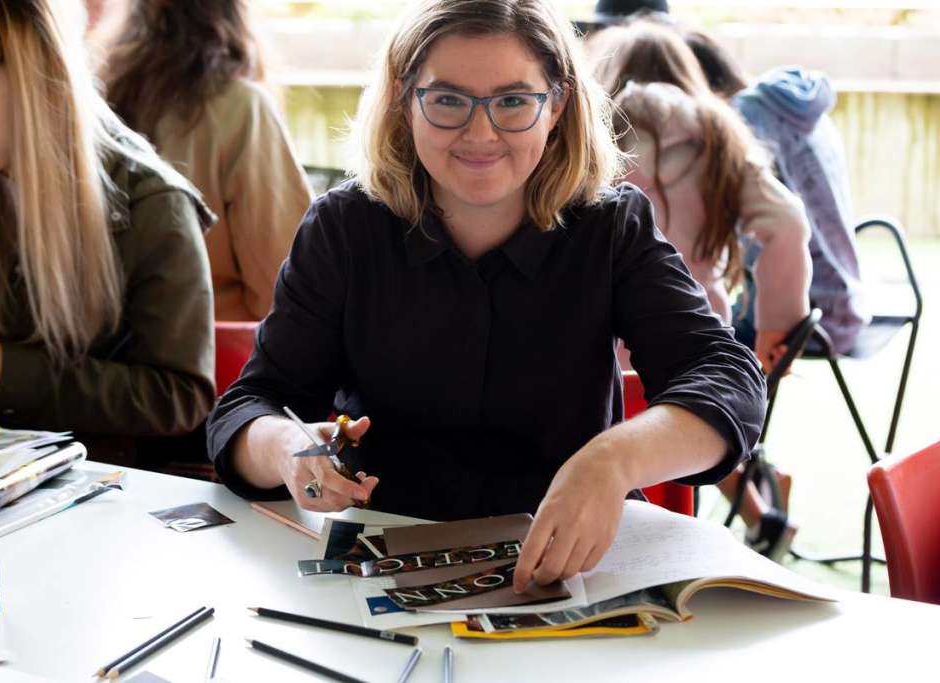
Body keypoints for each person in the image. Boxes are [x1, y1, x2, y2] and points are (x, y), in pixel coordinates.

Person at [207, 0, 765, 591]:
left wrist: (613, 458)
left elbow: (728, 378)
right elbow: (250, 407)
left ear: (558, 105)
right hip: (378, 574)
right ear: (403, 101)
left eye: (513, 101)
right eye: (447, 100)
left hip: (568, 576)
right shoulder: (345, 228)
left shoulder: (610, 227)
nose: (481, 133)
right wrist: (288, 447)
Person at [0, 0, 216, 457]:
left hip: (90, 487)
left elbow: (178, 398)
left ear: (37, 78)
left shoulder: (152, 204)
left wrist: (13, 376)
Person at [590, 21, 811, 557]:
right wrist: (781, 323)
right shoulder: (718, 134)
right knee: (699, 420)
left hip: (607, 333)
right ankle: (726, 522)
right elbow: (787, 223)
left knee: (613, 444)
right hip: (698, 319)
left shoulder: (591, 130)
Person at [103, 0, 313, 321]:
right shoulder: (241, 108)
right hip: (214, 350)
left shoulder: (98, 99)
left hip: (109, 350)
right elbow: (289, 284)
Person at [683, 29, 869, 355]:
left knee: (685, 341)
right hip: (845, 300)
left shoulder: (747, 120)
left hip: (808, 317)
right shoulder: (788, 104)